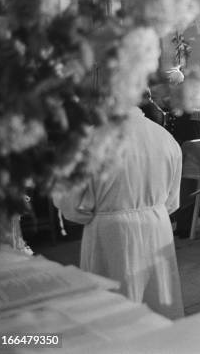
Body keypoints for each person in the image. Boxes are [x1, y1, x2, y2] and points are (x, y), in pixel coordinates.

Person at [54, 108, 184, 319]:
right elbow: (172, 202)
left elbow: (71, 204)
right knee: (158, 303)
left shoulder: (88, 140)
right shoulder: (164, 137)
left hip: (112, 234)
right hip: (157, 229)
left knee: (116, 310)